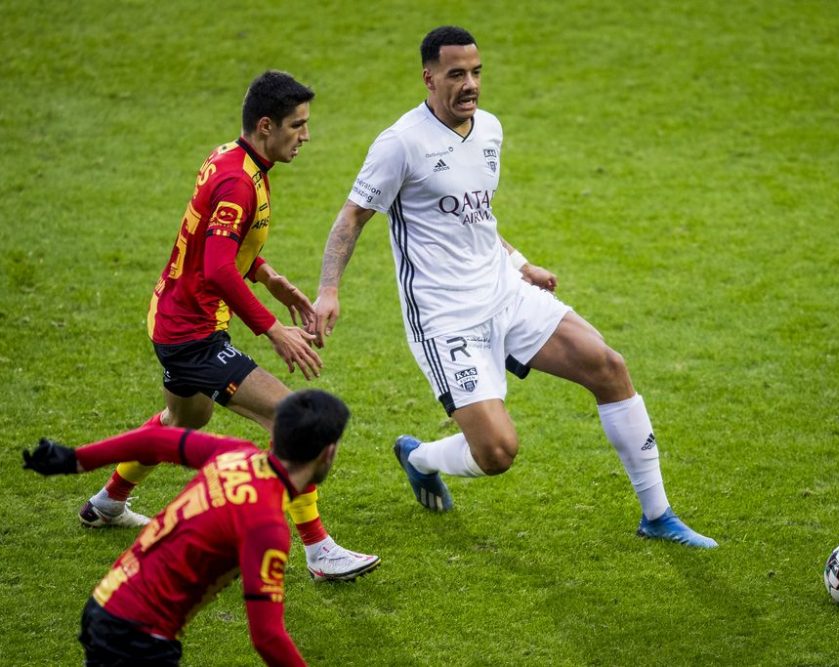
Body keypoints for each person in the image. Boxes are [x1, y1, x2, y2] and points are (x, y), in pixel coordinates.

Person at [311, 27, 717, 548]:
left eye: (476, 72)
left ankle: (657, 515)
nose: (470, 84)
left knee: (610, 368)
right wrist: (329, 290)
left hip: (505, 292)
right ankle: (419, 457)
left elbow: (476, 217)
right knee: (498, 453)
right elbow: (351, 217)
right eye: (456, 74)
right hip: (446, 318)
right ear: (428, 77)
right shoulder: (400, 144)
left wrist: (521, 263)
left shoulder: (489, 131)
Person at [81, 70, 380, 579]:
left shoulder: (232, 158)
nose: (305, 136)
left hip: (174, 321)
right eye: (297, 126)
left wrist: (270, 277)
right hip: (192, 335)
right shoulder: (239, 182)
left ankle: (107, 502)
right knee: (294, 419)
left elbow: (218, 247)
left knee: (183, 422)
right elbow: (218, 267)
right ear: (266, 125)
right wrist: (273, 329)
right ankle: (319, 551)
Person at [23, 389, 352, 666]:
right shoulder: (266, 526)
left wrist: (74, 459)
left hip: (108, 602)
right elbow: (267, 637)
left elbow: (154, 439)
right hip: (137, 636)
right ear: (328, 453)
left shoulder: (235, 454)